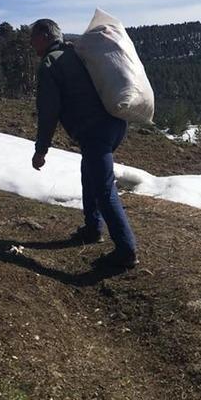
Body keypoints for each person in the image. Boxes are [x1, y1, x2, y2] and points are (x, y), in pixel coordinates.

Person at [29, 18, 138, 268]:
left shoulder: (50, 63)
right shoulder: (76, 52)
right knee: (89, 173)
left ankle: (126, 251)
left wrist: (41, 150)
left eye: (32, 37)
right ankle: (92, 228)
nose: (30, 42)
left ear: (45, 36)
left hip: (94, 130)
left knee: (103, 188)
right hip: (115, 124)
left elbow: (48, 112)